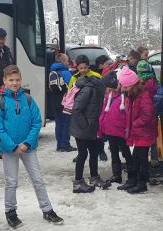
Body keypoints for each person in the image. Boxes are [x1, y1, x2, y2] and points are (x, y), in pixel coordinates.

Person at [0, 65, 63, 229]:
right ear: (4, 81)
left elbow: (36, 122)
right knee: (11, 182)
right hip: (9, 149)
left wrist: (26, 143)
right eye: (11, 80)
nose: (14, 83)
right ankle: (10, 212)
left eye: (17, 80)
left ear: (21, 80)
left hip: (28, 147)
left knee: (38, 179)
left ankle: (47, 209)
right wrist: (12, 146)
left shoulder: (28, 99)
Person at [70, 58, 106, 193]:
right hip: (83, 128)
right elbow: (77, 109)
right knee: (83, 154)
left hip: (91, 127)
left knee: (94, 151)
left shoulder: (97, 88)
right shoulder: (88, 90)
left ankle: (94, 177)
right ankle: (78, 182)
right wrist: (85, 125)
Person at [120, 66, 156, 194]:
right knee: (136, 158)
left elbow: (148, 114)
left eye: (125, 86)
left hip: (144, 132)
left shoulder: (144, 96)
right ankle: (133, 180)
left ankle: (141, 183)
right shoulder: (131, 94)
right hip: (137, 132)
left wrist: (134, 124)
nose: (123, 89)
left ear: (132, 84)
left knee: (141, 159)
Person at [98, 70, 130, 185]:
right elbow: (103, 113)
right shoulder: (108, 97)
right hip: (110, 130)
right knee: (114, 153)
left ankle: (132, 176)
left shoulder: (124, 96)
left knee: (126, 153)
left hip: (121, 131)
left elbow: (127, 113)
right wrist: (101, 127)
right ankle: (116, 176)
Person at [49, 53, 74, 152]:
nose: (68, 63)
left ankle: (59, 144)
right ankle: (65, 145)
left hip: (55, 101)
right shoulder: (65, 72)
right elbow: (71, 87)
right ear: (63, 62)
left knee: (58, 123)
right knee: (66, 123)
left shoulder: (52, 72)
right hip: (65, 101)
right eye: (67, 61)